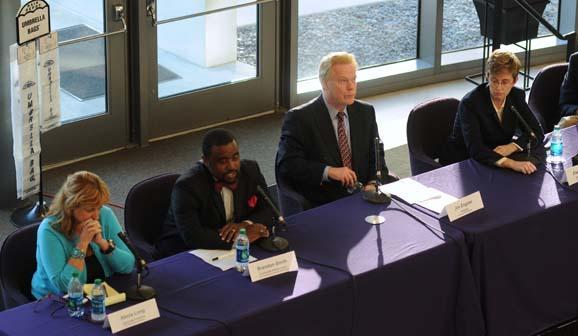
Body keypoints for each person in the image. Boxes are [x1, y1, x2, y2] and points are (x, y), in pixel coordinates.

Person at [276, 52, 390, 207]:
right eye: (343, 81)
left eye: (353, 79)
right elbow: (287, 165)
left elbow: (376, 154)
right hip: (324, 202)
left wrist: (372, 183)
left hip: (363, 198)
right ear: (324, 83)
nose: (351, 87)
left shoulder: (365, 112)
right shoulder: (300, 118)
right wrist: (328, 171)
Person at [156, 129, 273, 258]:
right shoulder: (187, 186)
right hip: (185, 251)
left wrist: (245, 225)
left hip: (229, 250)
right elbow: (193, 236)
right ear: (205, 161)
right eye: (223, 161)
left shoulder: (250, 170)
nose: (231, 166)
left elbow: (270, 209)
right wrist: (240, 238)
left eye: (235, 157)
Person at [31, 171, 135, 299]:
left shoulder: (104, 214)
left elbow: (128, 266)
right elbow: (64, 285)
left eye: (99, 207)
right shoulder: (49, 230)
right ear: (70, 206)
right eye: (90, 210)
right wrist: (83, 244)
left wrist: (103, 244)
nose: (96, 215)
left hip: (101, 292)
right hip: (56, 301)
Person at [446, 49, 545, 175]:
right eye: (494, 80)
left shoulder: (516, 96)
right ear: (487, 76)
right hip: (466, 162)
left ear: (514, 81)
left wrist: (512, 147)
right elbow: (475, 149)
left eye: (505, 82)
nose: (499, 88)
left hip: (496, 158)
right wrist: (511, 163)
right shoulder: (470, 103)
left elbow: (536, 132)